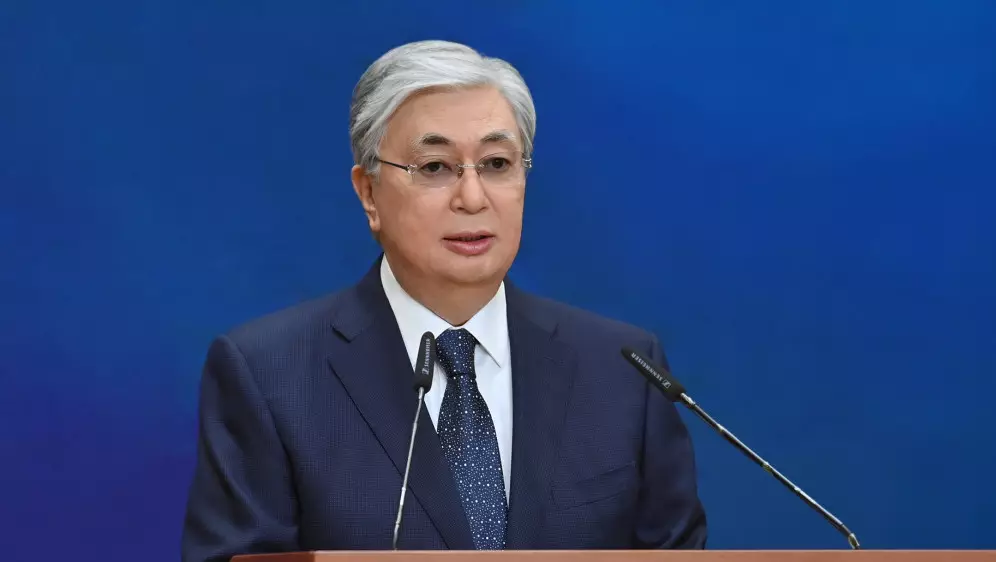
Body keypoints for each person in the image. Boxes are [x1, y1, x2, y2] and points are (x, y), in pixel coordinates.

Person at [181, 40, 707, 562]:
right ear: (369, 193)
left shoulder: (625, 371)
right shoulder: (270, 375)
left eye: (497, 163)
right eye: (434, 167)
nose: (473, 198)